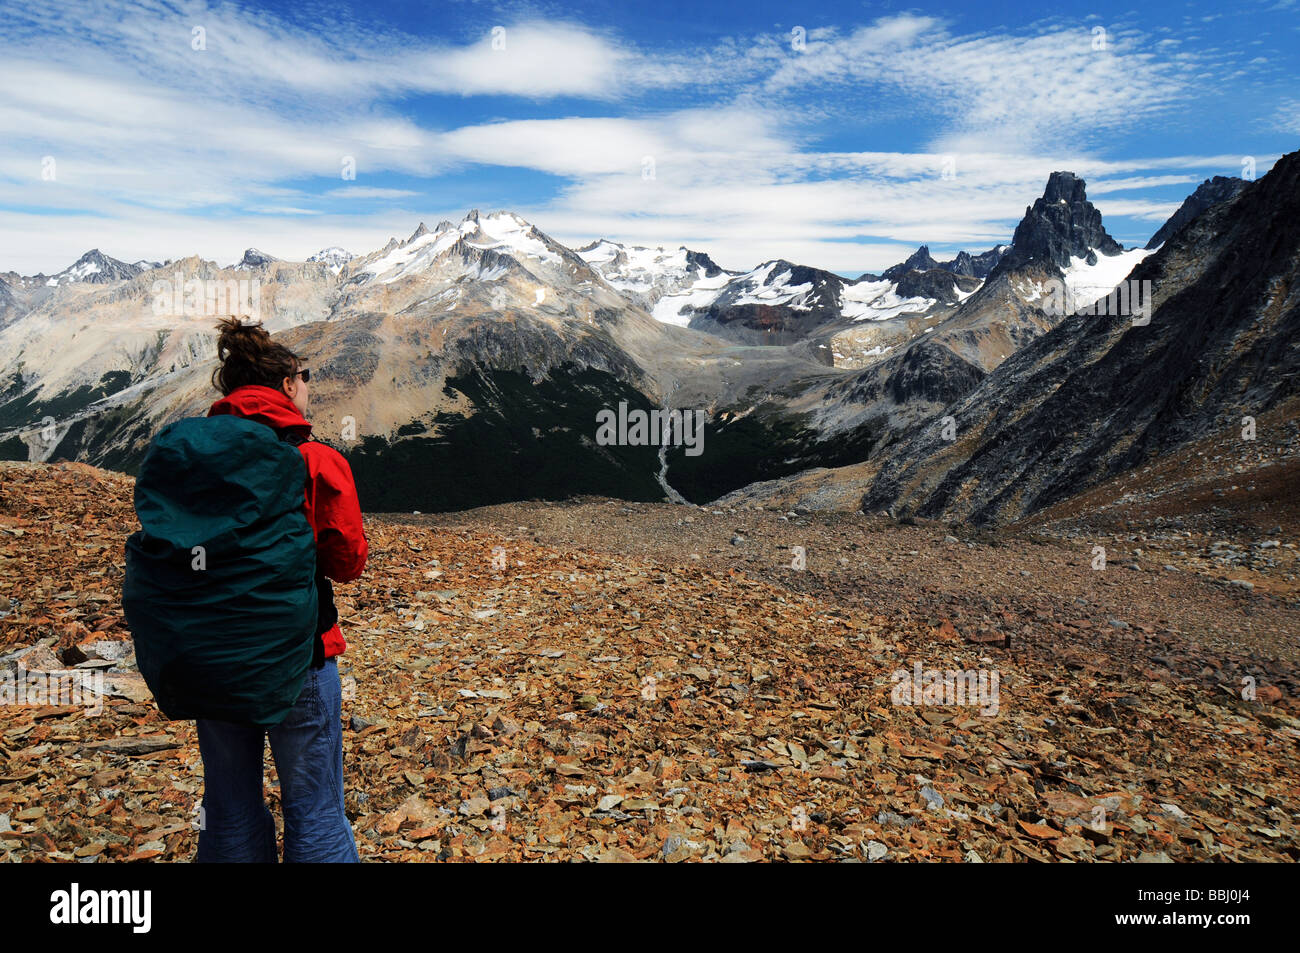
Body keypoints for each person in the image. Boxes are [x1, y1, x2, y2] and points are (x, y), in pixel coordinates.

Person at [194, 316, 368, 863]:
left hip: (211, 655)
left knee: (227, 807)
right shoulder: (315, 460)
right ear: (289, 384)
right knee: (314, 809)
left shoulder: (193, 458)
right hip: (300, 657)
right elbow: (347, 564)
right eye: (307, 378)